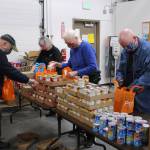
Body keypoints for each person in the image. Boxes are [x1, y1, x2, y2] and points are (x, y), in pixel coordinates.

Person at [52, 29, 100, 147]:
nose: (68, 45)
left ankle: (90, 138)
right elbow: (70, 64)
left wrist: (76, 72)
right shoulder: (73, 49)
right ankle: (80, 129)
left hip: (90, 79)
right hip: (79, 80)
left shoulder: (86, 47)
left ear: (75, 38)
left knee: (88, 109)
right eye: (67, 43)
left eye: (69, 43)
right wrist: (59, 64)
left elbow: (93, 67)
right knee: (78, 105)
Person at [0, 34, 38, 149]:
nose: (10, 51)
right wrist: (28, 80)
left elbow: (6, 68)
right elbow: (8, 70)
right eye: (10, 48)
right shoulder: (0, 54)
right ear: (4, 44)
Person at [116, 28, 150, 114]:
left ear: (135, 38)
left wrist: (133, 86)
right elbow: (120, 68)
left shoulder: (147, 50)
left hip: (143, 97)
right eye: (123, 47)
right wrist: (119, 76)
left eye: (127, 46)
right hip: (127, 94)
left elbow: (148, 75)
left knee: (142, 121)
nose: (126, 49)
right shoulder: (125, 50)